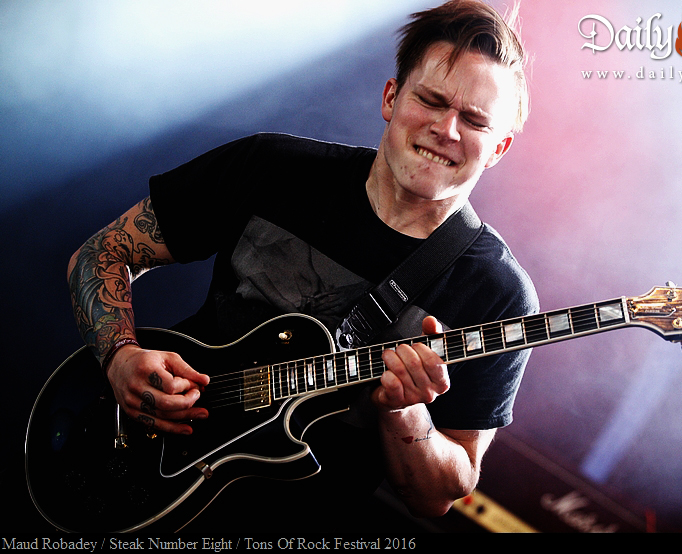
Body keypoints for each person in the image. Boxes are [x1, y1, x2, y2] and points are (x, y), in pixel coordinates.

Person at [67, 0, 538, 532]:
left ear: (498, 148)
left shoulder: (498, 293)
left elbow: (437, 498)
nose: (446, 129)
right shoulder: (273, 167)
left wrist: (406, 411)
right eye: (430, 100)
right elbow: (101, 254)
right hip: (141, 471)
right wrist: (120, 356)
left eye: (474, 120)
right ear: (391, 97)